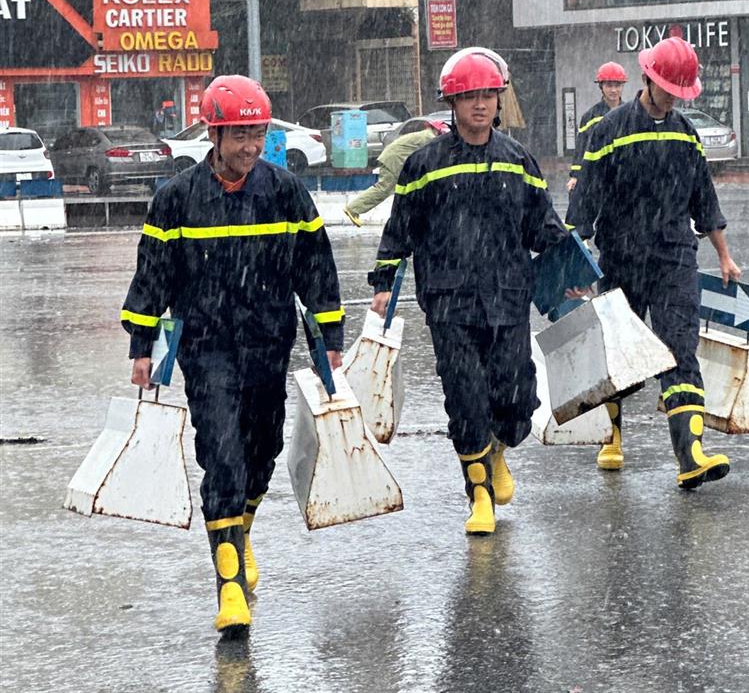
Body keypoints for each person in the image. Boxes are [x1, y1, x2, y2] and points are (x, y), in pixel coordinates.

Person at [121, 75, 344, 634]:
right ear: (214, 134)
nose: (250, 147)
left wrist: (330, 336)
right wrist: (140, 347)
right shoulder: (175, 200)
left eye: (258, 135)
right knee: (220, 454)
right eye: (240, 135)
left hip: (270, 343)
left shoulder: (285, 190)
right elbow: (152, 275)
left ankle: (240, 530)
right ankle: (228, 582)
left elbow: (315, 265)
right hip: (207, 348)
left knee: (261, 449)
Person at [367, 48, 581, 536]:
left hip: (508, 297)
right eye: (469, 97)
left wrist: (572, 265)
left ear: (498, 100)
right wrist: (383, 282)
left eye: (488, 95)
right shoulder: (424, 164)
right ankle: (478, 493)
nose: (480, 105)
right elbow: (400, 229)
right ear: (452, 102)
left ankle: (500, 449)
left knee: (516, 398)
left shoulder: (517, 160)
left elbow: (542, 225)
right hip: (449, 302)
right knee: (464, 399)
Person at [566, 37, 741, 489]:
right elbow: (585, 199)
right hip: (622, 258)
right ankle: (613, 435)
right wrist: (573, 266)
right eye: (668, 89)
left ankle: (690, 454)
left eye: (681, 92)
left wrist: (723, 254)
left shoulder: (686, 133)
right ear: (647, 79)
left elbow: (705, 198)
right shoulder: (610, 129)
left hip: (674, 256)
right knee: (622, 356)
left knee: (680, 351)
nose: (674, 98)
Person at [343, 117, 450, 226]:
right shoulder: (429, 137)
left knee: (407, 188)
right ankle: (353, 208)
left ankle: (407, 217)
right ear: (438, 130)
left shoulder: (424, 135)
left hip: (394, 159)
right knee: (384, 188)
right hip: (394, 160)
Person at [566, 61, 628, 192]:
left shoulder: (631, 113)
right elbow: (582, 147)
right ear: (601, 86)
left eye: (617, 85)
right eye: (609, 85)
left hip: (625, 173)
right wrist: (575, 176)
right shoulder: (590, 117)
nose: (613, 90)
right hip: (598, 174)